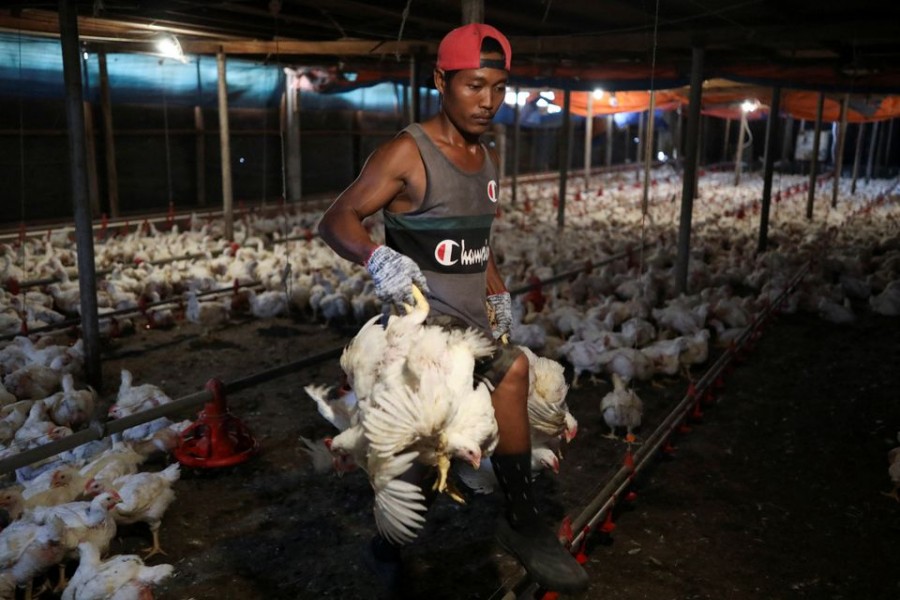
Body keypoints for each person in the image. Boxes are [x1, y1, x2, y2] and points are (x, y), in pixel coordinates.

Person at [317, 23, 589, 596]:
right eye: (473, 86)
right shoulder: (407, 153)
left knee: (515, 372)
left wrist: (495, 289)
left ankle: (521, 522)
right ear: (442, 80)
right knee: (415, 458)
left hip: (470, 329)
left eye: (498, 87)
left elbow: (475, 244)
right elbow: (336, 220)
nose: (488, 101)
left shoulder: (484, 157)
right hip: (420, 335)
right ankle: (387, 545)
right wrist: (375, 258)